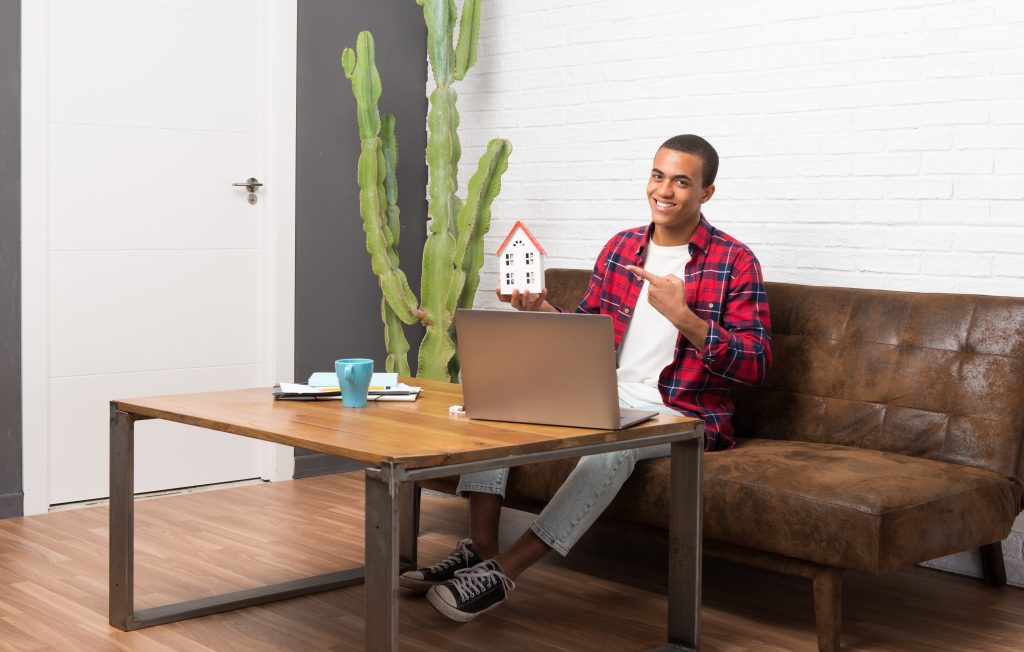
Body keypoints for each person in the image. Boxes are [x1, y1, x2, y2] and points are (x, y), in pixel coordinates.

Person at [401, 134, 773, 622]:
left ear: (706, 193)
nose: (665, 190)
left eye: (682, 181)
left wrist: (687, 318)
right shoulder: (621, 248)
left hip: (679, 412)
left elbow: (756, 364)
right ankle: (481, 549)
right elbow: (586, 330)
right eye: (658, 176)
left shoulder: (735, 261)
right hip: (604, 392)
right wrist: (541, 310)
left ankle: (504, 572)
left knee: (610, 451)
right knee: (500, 405)